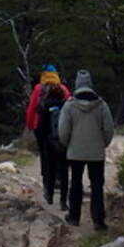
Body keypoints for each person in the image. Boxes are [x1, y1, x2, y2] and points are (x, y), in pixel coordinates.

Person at [57, 68, 115, 230]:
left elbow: (63, 130)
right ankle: (98, 220)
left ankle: (74, 216)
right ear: (90, 85)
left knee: (75, 183)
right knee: (97, 185)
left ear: (77, 85)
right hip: (96, 152)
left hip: (75, 151)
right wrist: (102, 143)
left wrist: (68, 144)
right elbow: (109, 129)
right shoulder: (101, 105)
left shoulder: (69, 105)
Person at [24, 65, 72, 205]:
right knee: (62, 158)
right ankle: (60, 184)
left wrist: (30, 125)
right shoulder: (63, 89)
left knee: (46, 157)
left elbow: (32, 108)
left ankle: (47, 185)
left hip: (42, 127)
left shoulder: (39, 88)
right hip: (61, 129)